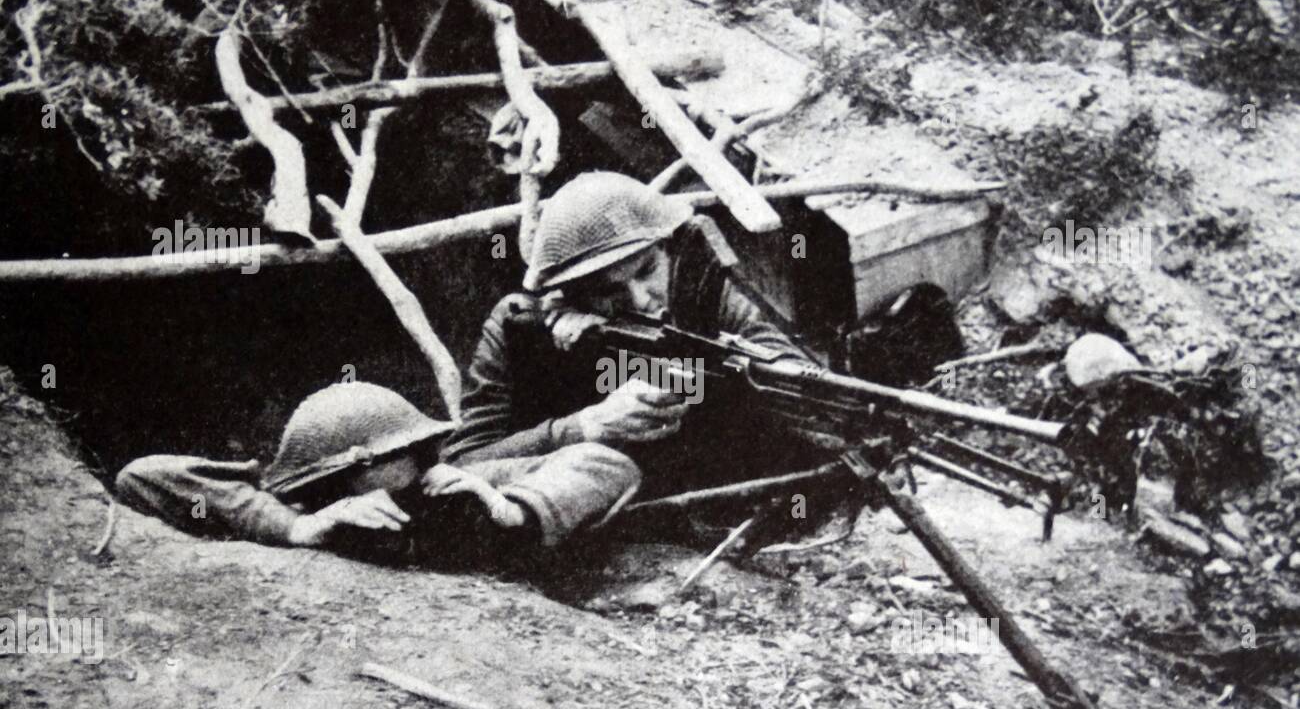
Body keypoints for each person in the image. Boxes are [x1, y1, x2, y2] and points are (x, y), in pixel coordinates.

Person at [441, 171, 822, 500]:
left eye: (647, 270)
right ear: (568, 292)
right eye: (609, 292)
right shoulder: (521, 326)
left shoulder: (706, 300)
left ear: (668, 251)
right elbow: (462, 463)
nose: (641, 300)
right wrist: (584, 427)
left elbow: (796, 376)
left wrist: (689, 378)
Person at [115, 381, 640, 567]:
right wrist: (296, 528)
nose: (420, 465)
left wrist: (507, 507)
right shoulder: (295, 511)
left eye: (419, 452)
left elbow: (608, 461)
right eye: (397, 456)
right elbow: (142, 477)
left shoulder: (451, 486)